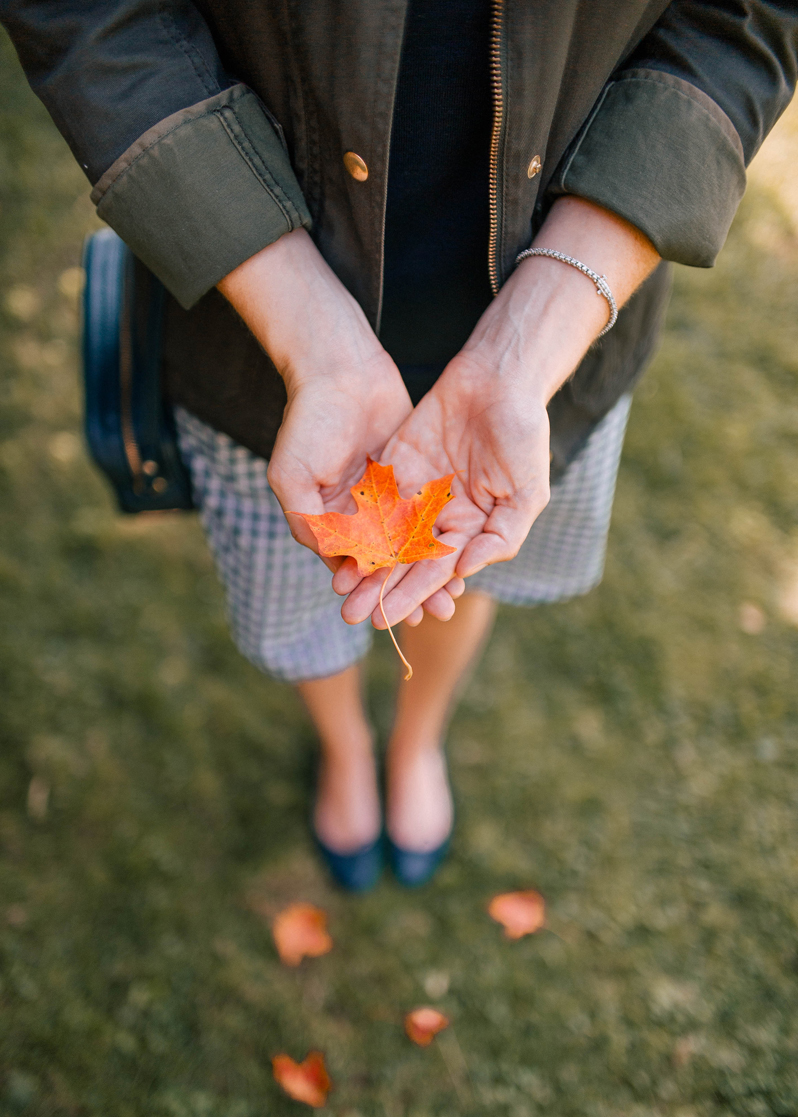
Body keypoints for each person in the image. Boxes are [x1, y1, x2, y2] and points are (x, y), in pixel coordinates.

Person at [3, 0, 796, 889]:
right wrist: (306, 330)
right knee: (308, 602)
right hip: (264, 332)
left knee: (472, 561)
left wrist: (529, 345)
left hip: (552, 347)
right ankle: (345, 748)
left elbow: (743, 22)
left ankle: (417, 744)